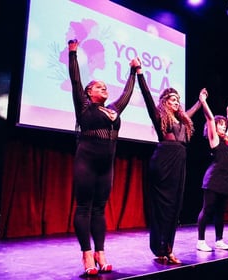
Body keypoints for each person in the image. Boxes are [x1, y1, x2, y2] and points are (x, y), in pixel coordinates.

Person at [68, 39, 138, 275]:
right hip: (86, 162)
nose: (104, 89)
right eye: (99, 87)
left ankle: (101, 252)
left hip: (107, 166)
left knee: (99, 209)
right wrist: (73, 54)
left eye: (106, 87)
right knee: (84, 207)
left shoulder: (113, 110)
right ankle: (87, 254)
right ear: (89, 92)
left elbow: (127, 95)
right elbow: (75, 80)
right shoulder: (85, 107)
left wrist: (132, 71)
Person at [132, 58, 206, 264]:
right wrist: (139, 72)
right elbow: (147, 96)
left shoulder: (182, 120)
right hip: (163, 161)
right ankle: (160, 247)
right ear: (165, 101)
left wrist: (200, 101)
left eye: (178, 99)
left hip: (179, 162)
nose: (177, 102)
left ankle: (168, 248)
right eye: (173, 99)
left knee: (175, 206)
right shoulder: (159, 115)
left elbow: (189, 113)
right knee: (161, 207)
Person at [196, 97, 228, 252]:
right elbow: (209, 117)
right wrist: (204, 102)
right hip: (213, 179)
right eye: (220, 125)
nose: (223, 127)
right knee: (207, 210)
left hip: (226, 180)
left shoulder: (227, 141)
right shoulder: (214, 140)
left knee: (220, 212)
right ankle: (200, 241)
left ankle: (219, 240)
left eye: (224, 125)